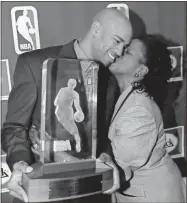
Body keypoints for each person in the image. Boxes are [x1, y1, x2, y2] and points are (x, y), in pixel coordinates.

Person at [1, 8, 132, 203]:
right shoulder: (36, 64)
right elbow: (14, 127)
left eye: (125, 46)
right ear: (96, 29)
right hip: (41, 192)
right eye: (117, 41)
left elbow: (101, 135)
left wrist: (106, 156)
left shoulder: (108, 80)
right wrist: (21, 163)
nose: (120, 52)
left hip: (89, 193)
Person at [107, 35, 186, 202]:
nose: (119, 52)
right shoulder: (123, 95)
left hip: (153, 196)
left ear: (141, 71)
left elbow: (117, 167)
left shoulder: (139, 110)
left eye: (127, 52)